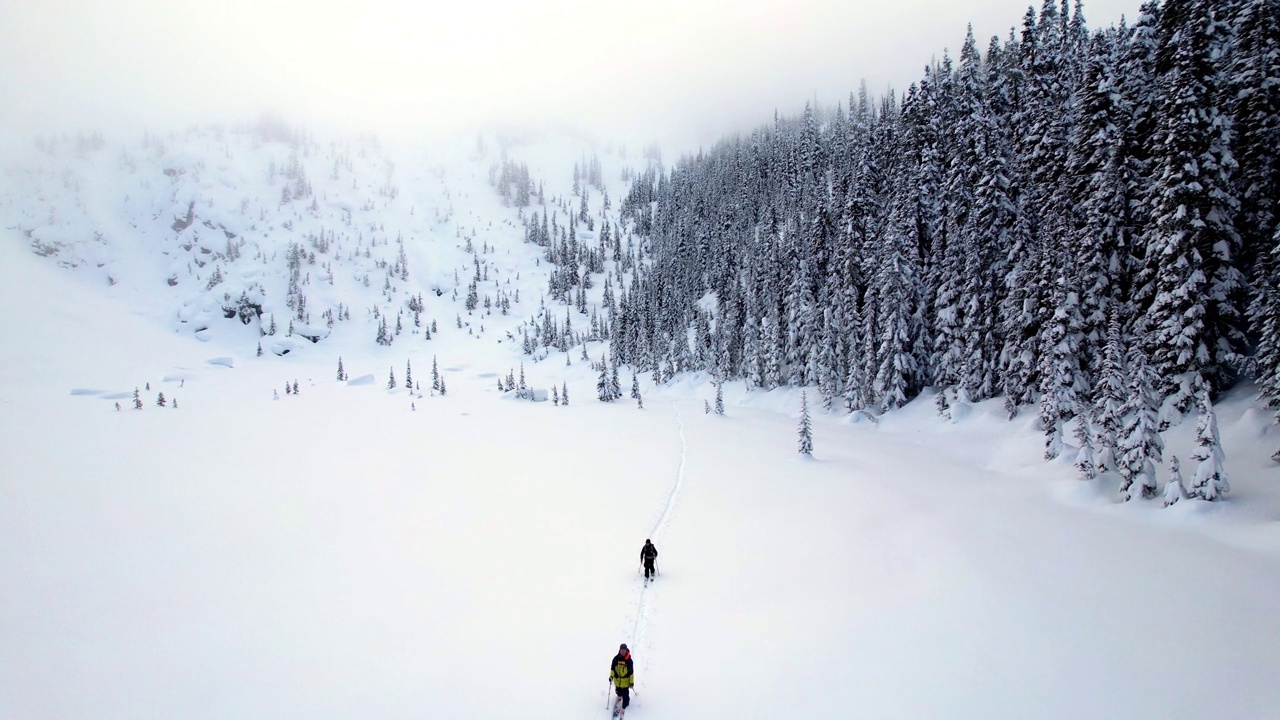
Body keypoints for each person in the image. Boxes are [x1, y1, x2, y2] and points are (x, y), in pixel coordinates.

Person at [609, 643, 634, 713]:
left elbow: (631, 673)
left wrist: (631, 682)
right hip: (618, 681)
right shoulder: (616, 659)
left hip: (625, 682)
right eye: (621, 650)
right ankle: (619, 696)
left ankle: (625, 705)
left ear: (626, 650)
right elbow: (613, 669)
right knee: (618, 692)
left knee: (625, 696)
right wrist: (611, 676)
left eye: (624, 650)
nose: (623, 651)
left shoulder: (629, 661)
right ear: (619, 650)